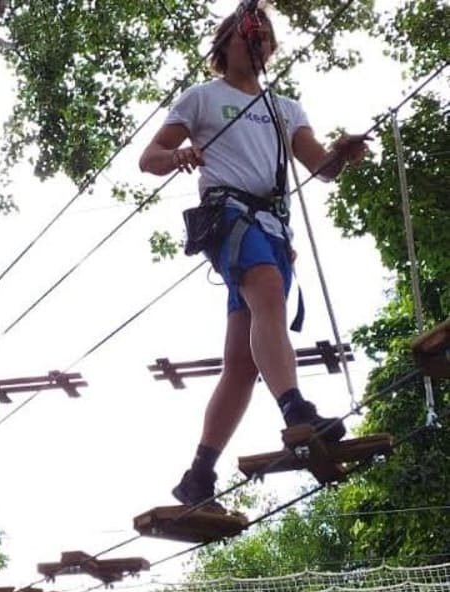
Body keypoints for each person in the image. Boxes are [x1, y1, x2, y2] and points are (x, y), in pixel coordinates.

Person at [138, 4, 368, 511]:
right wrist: (177, 156)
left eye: (265, 37)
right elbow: (149, 158)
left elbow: (320, 166)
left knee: (241, 363)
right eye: (250, 35)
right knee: (265, 289)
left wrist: (342, 155)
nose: (259, 42)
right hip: (229, 218)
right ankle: (296, 409)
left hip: (273, 227)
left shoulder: (285, 107)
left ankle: (198, 474)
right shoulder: (202, 98)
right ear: (225, 45)